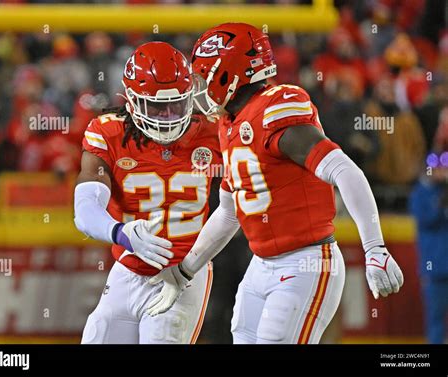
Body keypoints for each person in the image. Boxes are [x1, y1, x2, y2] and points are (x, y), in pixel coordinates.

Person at [147, 23, 404, 344]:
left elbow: (344, 170)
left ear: (227, 73)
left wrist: (374, 248)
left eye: (203, 76)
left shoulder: (276, 108)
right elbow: (229, 212)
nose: (198, 88)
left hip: (305, 263)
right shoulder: (231, 123)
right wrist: (184, 271)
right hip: (261, 266)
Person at [73, 41, 220, 344]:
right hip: (127, 270)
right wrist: (121, 233)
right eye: (156, 106)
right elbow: (85, 206)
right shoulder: (108, 133)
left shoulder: (214, 130)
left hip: (185, 273)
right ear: (131, 101)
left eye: (176, 105)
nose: (167, 115)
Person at [409, 160, 448, 343]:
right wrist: (440, 205)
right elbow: (426, 220)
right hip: (435, 268)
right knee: (435, 321)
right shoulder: (420, 193)